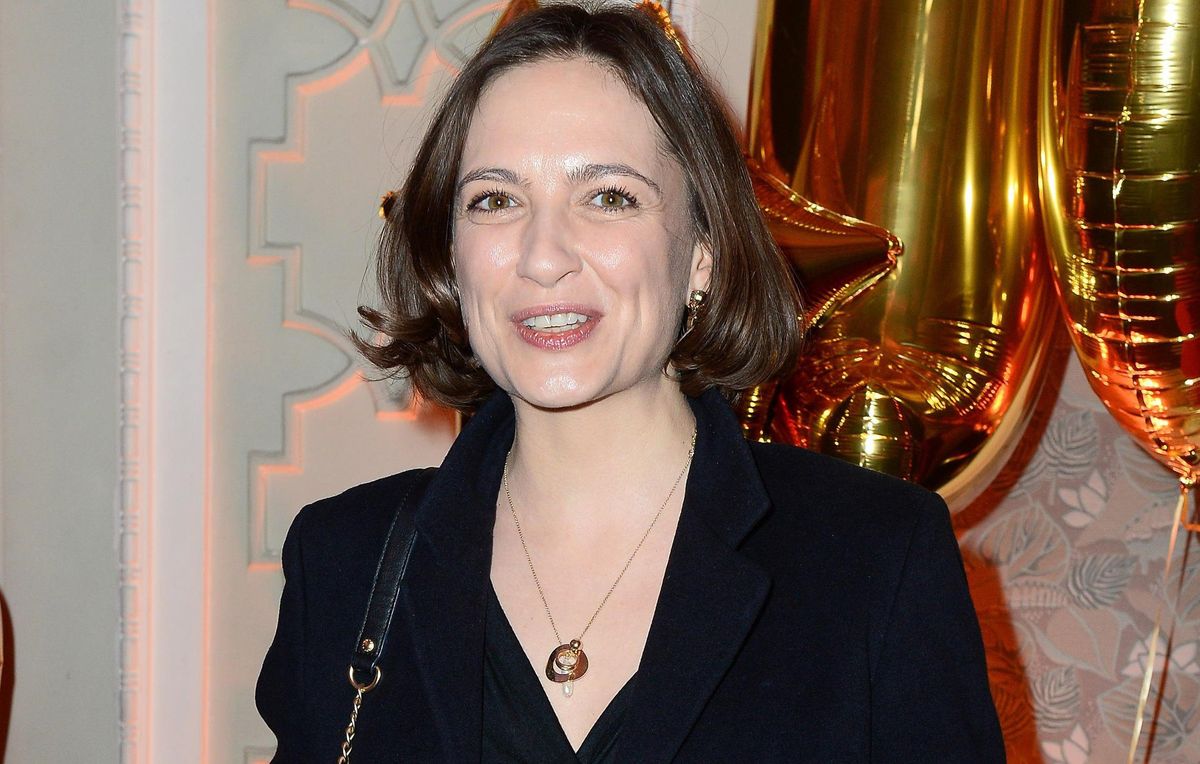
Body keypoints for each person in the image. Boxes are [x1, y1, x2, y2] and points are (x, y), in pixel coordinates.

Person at [256, 3, 1005, 761]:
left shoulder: (876, 559)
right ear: (451, 255)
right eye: (495, 200)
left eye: (609, 197)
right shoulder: (345, 562)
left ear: (702, 254)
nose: (543, 257)